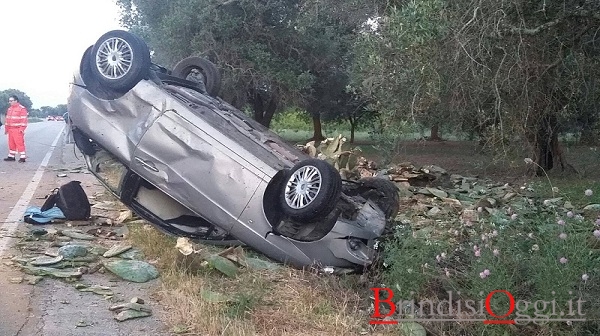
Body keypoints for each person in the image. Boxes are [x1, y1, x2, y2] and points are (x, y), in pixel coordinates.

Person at [4, 95, 28, 162]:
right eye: (9, 101)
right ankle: (11, 156)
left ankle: (22, 157)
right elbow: (7, 119)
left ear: (16, 101)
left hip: (17, 129)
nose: (10, 102)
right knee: (11, 143)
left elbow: (24, 120)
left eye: (11, 101)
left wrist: (22, 129)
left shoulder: (21, 109)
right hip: (10, 129)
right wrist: (6, 129)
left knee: (19, 143)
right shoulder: (10, 109)